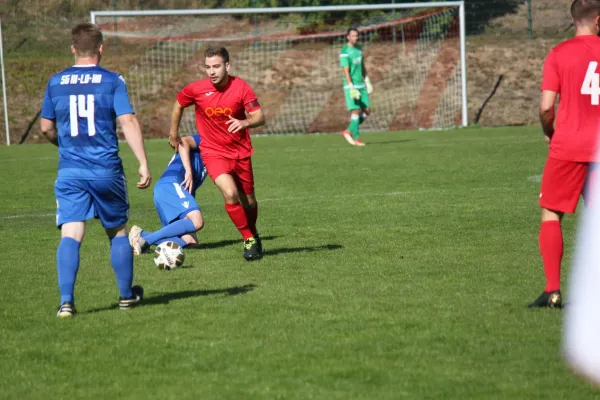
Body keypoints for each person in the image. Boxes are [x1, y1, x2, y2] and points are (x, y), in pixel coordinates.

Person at [40, 23, 152, 318]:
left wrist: (63, 146)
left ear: (73, 49)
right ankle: (126, 297)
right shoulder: (112, 80)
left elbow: (46, 128)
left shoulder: (55, 82)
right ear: (101, 48)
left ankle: (66, 302)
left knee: (71, 233)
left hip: (71, 171)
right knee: (117, 231)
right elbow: (127, 121)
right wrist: (142, 161)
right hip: (106, 170)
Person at [528, 0, 600, 308]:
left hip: (568, 146)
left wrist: (549, 132)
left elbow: (546, 107)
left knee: (551, 213)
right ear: (598, 19)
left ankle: (553, 291)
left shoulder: (559, 54)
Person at [168, 46, 265, 261]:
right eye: (208, 67)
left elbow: (260, 116)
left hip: (240, 152)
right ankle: (248, 238)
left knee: (248, 201)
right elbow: (178, 104)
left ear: (227, 66)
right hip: (213, 153)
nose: (212, 71)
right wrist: (173, 134)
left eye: (217, 66)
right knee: (230, 193)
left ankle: (254, 233)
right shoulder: (197, 89)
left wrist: (244, 122)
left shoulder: (241, 87)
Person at [129, 134, 207, 254]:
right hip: (171, 183)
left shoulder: (220, 154)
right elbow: (183, 142)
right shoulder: (207, 138)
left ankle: (141, 235)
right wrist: (188, 171)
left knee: (191, 244)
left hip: (172, 189)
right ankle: (145, 240)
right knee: (197, 221)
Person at [340, 27, 373, 147]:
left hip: (361, 84)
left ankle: (348, 131)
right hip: (351, 86)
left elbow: (362, 66)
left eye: (357, 35)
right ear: (348, 37)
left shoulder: (359, 49)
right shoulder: (345, 51)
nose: (356, 38)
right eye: (353, 36)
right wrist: (351, 86)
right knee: (356, 110)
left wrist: (367, 80)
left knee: (367, 110)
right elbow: (346, 71)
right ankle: (357, 138)